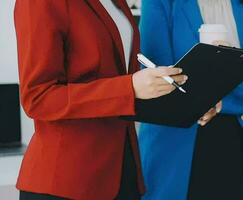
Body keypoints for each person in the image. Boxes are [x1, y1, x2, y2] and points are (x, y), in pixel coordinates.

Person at [14, 0, 187, 199]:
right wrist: (128, 88)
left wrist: (191, 103)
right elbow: (38, 98)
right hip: (67, 182)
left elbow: (123, 85)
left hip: (123, 171)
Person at [138, 0, 243, 199]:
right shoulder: (160, 2)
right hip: (175, 146)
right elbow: (160, 83)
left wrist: (229, 62)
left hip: (240, 142)